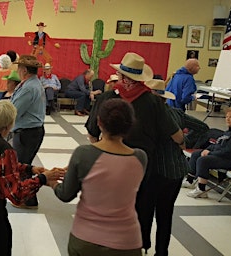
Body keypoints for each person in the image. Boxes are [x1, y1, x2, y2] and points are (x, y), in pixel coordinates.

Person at [85, 52, 185, 255]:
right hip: (142, 165)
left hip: (110, 162)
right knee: (138, 207)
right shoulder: (153, 101)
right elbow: (175, 134)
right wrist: (183, 143)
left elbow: (92, 133)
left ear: (121, 77)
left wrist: (100, 151)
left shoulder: (106, 98)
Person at [0, 100, 64, 256]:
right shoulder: (4, 148)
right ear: (9, 124)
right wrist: (42, 178)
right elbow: (17, 194)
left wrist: (30, 169)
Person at [53, 98, 146, 256]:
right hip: (128, 241)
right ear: (130, 124)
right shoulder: (140, 157)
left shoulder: (83, 154)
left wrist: (52, 182)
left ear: (99, 122)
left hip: (86, 239)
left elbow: (66, 194)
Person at [142, 79, 209, 255]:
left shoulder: (148, 117)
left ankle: (144, 245)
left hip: (154, 171)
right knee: (165, 213)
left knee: (146, 211)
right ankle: (162, 251)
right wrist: (185, 142)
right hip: (176, 170)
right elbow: (203, 127)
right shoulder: (177, 113)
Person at [182, 106, 231, 198]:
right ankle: (190, 180)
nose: (227, 119)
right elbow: (217, 144)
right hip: (221, 156)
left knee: (203, 160)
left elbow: (229, 151)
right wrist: (207, 150)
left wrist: (210, 153)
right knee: (196, 154)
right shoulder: (228, 132)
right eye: (226, 117)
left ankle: (201, 190)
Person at [10, 55, 46, 209]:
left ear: (24, 70)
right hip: (30, 131)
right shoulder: (32, 84)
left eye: (18, 68)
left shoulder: (28, 88)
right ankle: (25, 197)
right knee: (25, 165)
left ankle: (29, 200)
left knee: (23, 167)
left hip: (27, 132)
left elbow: (15, 111)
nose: (17, 71)